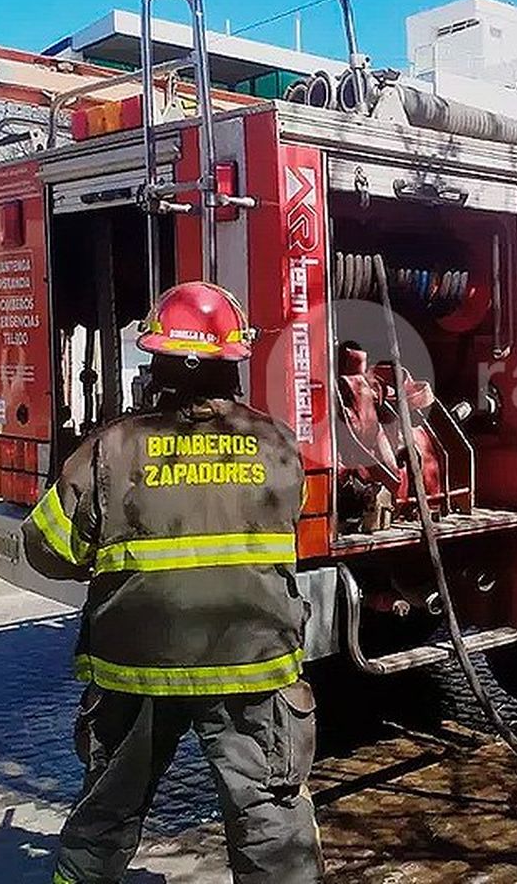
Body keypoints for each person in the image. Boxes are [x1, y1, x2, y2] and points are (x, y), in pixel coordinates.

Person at [22, 281, 323, 884]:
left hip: (135, 668)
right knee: (267, 815)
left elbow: (44, 549)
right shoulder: (280, 446)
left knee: (107, 811)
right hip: (251, 665)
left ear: (156, 366)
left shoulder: (110, 450)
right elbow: (293, 521)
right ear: (233, 367)